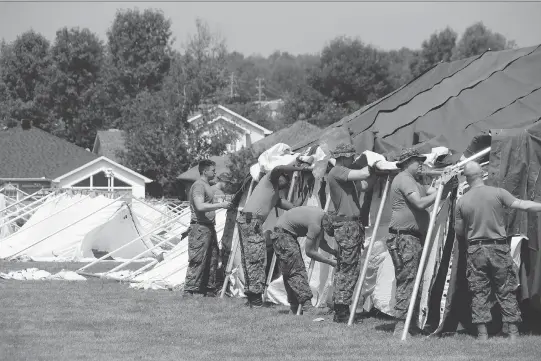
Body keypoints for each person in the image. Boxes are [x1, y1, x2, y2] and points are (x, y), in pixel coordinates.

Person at [454, 161, 541, 341]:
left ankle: (482, 334)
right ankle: (513, 334)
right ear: (483, 173)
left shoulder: (461, 201)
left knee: (479, 292)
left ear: (467, 178)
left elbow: (459, 232)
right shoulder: (498, 193)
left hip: (475, 249)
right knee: (506, 289)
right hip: (498, 248)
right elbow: (522, 205)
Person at [385, 148, 455, 336]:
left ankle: (410, 322)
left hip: (412, 237)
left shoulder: (416, 180)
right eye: (418, 162)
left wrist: (445, 184)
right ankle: (401, 325)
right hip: (404, 237)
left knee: (414, 280)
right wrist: (443, 189)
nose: (421, 165)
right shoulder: (404, 179)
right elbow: (420, 203)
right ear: (408, 163)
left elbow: (434, 191)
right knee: (407, 281)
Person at [237, 164, 310, 308]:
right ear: (280, 176)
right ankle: (255, 298)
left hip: (250, 221)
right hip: (251, 221)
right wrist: (300, 168)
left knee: (253, 257)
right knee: (255, 258)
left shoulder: (274, 194)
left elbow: (290, 207)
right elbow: (277, 168)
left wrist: (302, 204)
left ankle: (252, 296)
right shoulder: (269, 180)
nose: (287, 181)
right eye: (285, 177)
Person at [326, 143, 378, 323]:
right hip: (347, 227)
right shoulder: (338, 170)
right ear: (342, 157)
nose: (352, 160)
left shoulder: (343, 175)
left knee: (349, 268)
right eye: (350, 157)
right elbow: (364, 174)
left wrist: (377, 174)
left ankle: (341, 308)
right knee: (348, 269)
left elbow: (364, 184)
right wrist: (374, 161)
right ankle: (341, 310)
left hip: (350, 226)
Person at [270, 206, 337, 315]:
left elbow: (320, 242)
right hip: (283, 236)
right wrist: (330, 262)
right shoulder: (316, 225)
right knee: (296, 271)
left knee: (289, 272)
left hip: (282, 233)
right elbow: (310, 252)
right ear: (326, 225)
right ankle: (307, 307)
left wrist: (333, 252)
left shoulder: (321, 216)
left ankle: (295, 307)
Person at [184, 160, 232, 298]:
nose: (215, 173)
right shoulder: (199, 186)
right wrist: (221, 205)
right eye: (213, 170)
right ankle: (189, 290)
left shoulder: (207, 186)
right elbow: (199, 206)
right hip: (199, 227)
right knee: (197, 258)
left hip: (208, 227)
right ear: (205, 171)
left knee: (212, 258)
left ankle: (208, 289)